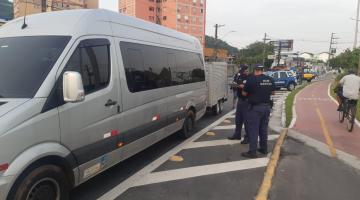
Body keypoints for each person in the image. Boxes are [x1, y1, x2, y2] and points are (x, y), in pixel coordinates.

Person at [241, 65, 276, 158]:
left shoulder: (252, 79)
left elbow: (244, 93)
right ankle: (264, 149)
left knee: (253, 130)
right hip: (267, 107)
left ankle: (252, 152)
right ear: (262, 70)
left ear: (255, 70)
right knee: (263, 129)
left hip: (255, 108)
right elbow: (273, 92)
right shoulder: (270, 79)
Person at [228, 65, 250, 144]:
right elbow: (236, 82)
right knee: (238, 119)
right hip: (240, 100)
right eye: (245, 70)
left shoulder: (250, 77)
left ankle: (248, 137)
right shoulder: (239, 76)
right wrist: (234, 85)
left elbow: (250, 87)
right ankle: (237, 134)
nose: (246, 72)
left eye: (247, 70)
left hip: (247, 100)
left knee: (246, 120)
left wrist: (243, 86)